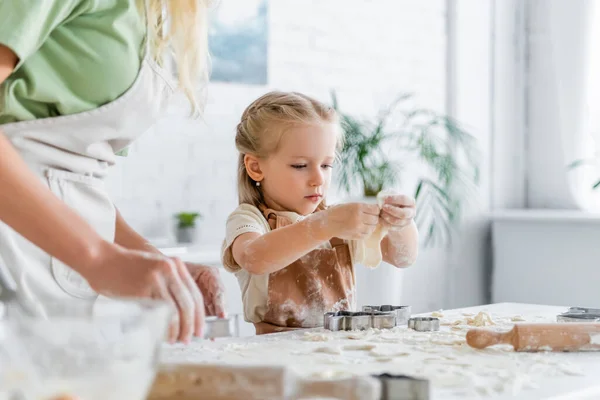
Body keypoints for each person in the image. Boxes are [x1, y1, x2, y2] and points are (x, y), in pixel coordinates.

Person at [0, 0, 224, 344]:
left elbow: (72, 183)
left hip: (56, 273)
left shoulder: (149, 16)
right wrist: (97, 257)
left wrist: (155, 263)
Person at [221, 91, 419, 335]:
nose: (318, 179)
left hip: (338, 352)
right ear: (255, 167)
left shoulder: (337, 223)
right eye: (300, 166)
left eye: (327, 165)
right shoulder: (249, 219)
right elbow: (254, 258)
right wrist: (323, 225)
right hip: (274, 353)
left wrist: (401, 222)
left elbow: (402, 257)